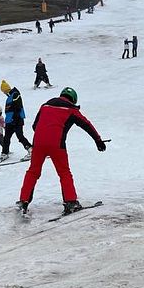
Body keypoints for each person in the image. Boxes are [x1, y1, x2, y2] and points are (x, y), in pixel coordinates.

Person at [17, 87, 106, 215]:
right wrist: (98, 140)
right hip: (57, 144)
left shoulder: (45, 105)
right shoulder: (71, 109)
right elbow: (87, 125)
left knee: (33, 171)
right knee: (64, 172)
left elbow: (34, 126)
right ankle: (70, 202)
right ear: (73, 100)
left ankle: (23, 202)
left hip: (38, 143)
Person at [0, 80, 32, 159]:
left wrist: (15, 119)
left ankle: (31, 149)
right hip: (10, 121)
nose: (4, 93)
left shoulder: (15, 95)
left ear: (6, 90)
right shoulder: (10, 97)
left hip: (16, 121)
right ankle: (4, 153)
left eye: (4, 91)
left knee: (20, 136)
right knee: (6, 138)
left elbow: (18, 107)